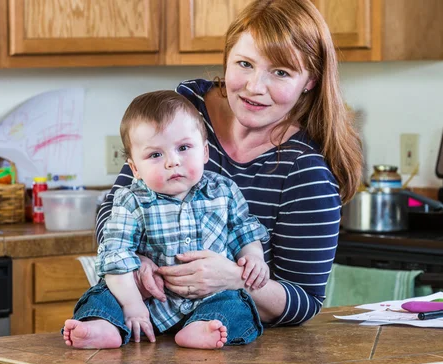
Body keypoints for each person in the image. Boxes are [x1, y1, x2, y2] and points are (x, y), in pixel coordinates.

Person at [83, 0, 363, 340]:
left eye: (281, 72)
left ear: (310, 81)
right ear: (227, 57)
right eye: (244, 63)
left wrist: (235, 278)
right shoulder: (183, 115)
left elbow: (305, 302)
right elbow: (113, 209)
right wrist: (137, 261)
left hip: (222, 346)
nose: (254, 86)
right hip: (142, 328)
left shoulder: (306, 172)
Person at [63, 91, 269, 349]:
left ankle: (201, 328)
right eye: (155, 155)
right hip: (147, 301)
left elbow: (245, 231)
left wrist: (254, 257)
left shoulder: (224, 191)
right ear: (135, 169)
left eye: (184, 148)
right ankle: (102, 327)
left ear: (205, 152)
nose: (173, 161)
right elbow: (116, 258)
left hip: (209, 296)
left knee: (238, 305)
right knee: (102, 295)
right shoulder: (131, 201)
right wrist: (133, 305)